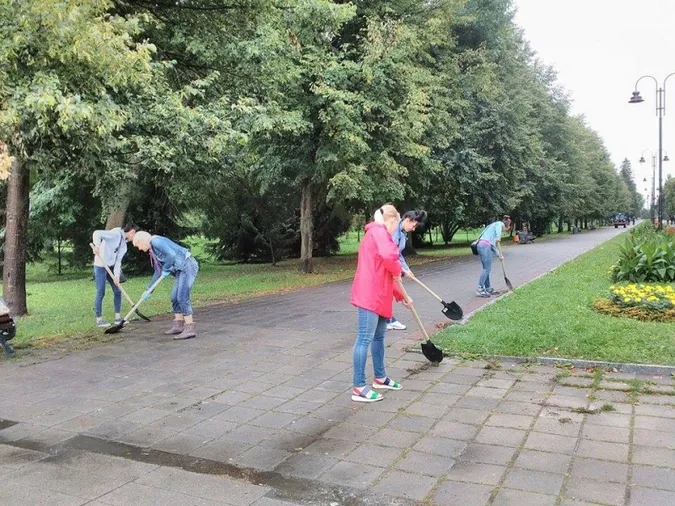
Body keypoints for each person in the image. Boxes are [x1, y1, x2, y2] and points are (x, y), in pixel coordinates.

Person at [350, 204, 413, 403]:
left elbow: (386, 272)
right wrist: (398, 270)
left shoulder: (379, 234)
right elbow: (390, 259)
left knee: (378, 338)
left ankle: (380, 377)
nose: (396, 227)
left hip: (380, 295)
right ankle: (359, 387)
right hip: (369, 295)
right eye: (396, 223)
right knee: (364, 340)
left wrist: (403, 296)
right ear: (392, 220)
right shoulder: (378, 232)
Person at [132, 231, 199, 340]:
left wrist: (167, 268)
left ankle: (190, 328)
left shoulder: (156, 241)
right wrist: (149, 289)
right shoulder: (153, 249)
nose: (139, 248)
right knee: (174, 297)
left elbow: (171, 255)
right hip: (180, 270)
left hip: (187, 266)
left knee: (182, 297)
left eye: (138, 245)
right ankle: (179, 325)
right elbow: (158, 271)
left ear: (142, 240)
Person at [384, 209, 427, 331]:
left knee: (389, 292)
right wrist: (401, 270)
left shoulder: (402, 233)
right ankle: (387, 320)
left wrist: (407, 269)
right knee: (389, 292)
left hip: (393, 265)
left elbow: (398, 254)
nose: (414, 229)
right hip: (386, 266)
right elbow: (389, 254)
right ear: (408, 220)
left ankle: (388, 319)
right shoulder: (393, 230)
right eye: (413, 226)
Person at [91, 223, 138, 328]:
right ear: (132, 232)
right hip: (100, 265)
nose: (134, 238)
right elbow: (97, 233)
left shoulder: (124, 246)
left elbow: (118, 261)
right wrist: (97, 246)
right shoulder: (115, 234)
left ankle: (118, 318)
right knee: (101, 292)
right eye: (134, 235)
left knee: (117, 290)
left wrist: (116, 276)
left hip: (111, 267)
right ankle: (99, 319)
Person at [476, 215, 511, 297]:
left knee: (486, 268)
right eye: (505, 230)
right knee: (486, 269)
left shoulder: (493, 225)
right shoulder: (499, 224)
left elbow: (492, 246)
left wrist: (499, 255)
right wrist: (498, 237)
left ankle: (488, 288)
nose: (503, 232)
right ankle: (480, 289)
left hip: (483, 245)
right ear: (506, 226)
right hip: (484, 246)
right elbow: (497, 235)